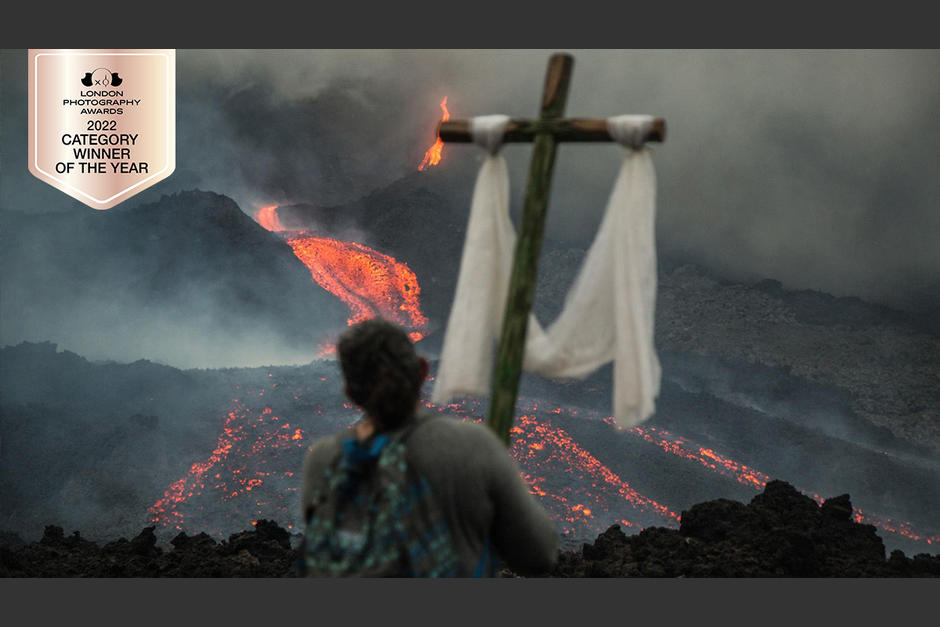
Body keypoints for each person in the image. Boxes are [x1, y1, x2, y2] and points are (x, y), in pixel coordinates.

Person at [300, 318, 559, 577]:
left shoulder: (325, 460)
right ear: (423, 371)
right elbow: (538, 556)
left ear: (350, 395)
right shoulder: (474, 444)